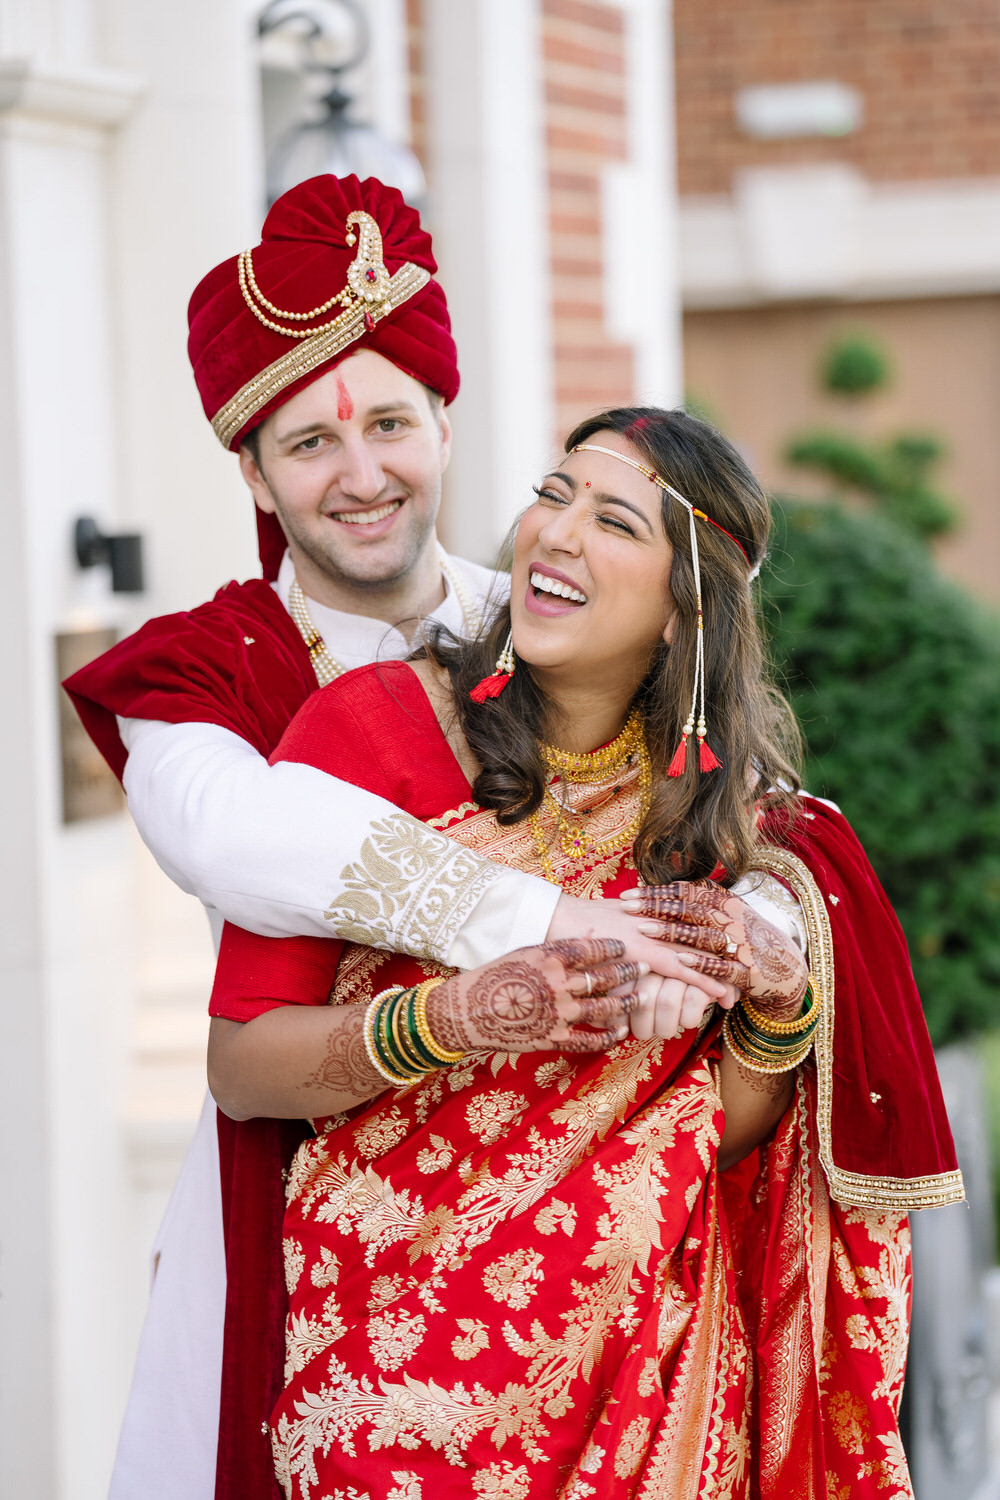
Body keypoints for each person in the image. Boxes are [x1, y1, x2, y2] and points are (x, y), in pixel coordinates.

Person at [64, 176, 726, 1500]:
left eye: (387, 421)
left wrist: (760, 929)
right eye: (307, 443)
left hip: (588, 1218)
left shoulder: (552, 616)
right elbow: (237, 834)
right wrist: (538, 924)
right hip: (307, 1181)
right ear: (250, 468)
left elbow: (725, 794)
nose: (361, 475)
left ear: (444, 419)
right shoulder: (200, 674)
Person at [207, 406, 963, 1499]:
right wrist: (456, 1018)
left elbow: (712, 1137)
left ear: (681, 610)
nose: (555, 535)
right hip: (385, 1371)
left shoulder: (737, 829)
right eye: (553, 495)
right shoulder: (367, 732)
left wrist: (780, 1004)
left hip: (640, 1389)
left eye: (613, 520)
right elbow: (242, 1070)